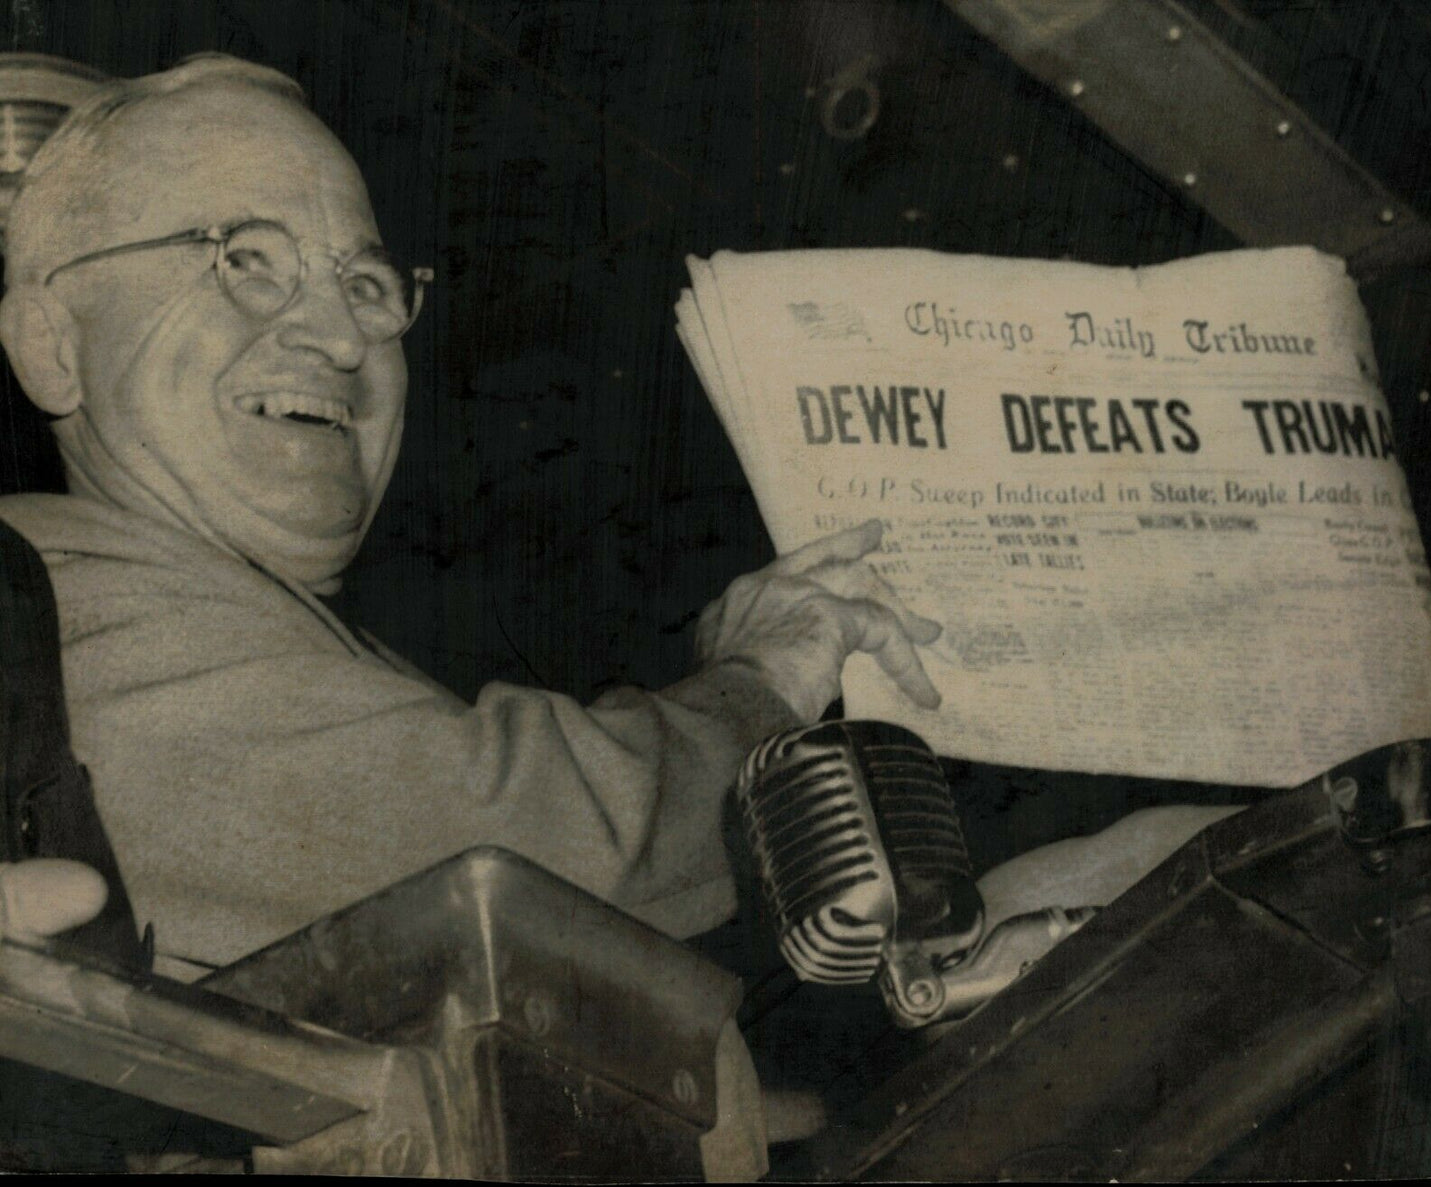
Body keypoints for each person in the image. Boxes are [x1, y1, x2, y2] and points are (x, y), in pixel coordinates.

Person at [0, 54, 946, 980]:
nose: (341, 337)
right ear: (51, 346)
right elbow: (528, 845)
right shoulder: (38, 614)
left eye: (366, 287)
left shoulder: (292, 650)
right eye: (245, 258)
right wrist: (758, 683)